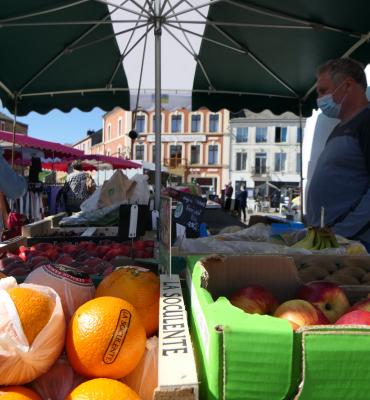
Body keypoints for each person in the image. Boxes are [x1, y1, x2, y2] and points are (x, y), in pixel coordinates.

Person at [306, 58, 370, 249]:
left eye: (323, 91)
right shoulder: (338, 128)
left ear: (348, 85)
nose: (319, 99)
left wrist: (343, 231)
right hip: (332, 241)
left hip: (355, 244)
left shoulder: (367, 122)